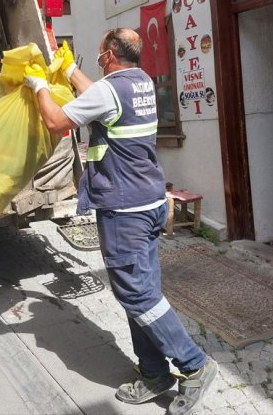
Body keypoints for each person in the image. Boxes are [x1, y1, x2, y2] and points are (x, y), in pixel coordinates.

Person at [23, 28, 217, 415]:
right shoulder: (140, 81)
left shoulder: (109, 90)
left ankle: (194, 365)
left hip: (124, 210)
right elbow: (101, 93)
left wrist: (40, 84)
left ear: (110, 54)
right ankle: (154, 372)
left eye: (99, 53)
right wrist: (69, 70)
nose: (96, 59)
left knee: (137, 294)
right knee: (141, 292)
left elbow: (55, 121)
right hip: (149, 202)